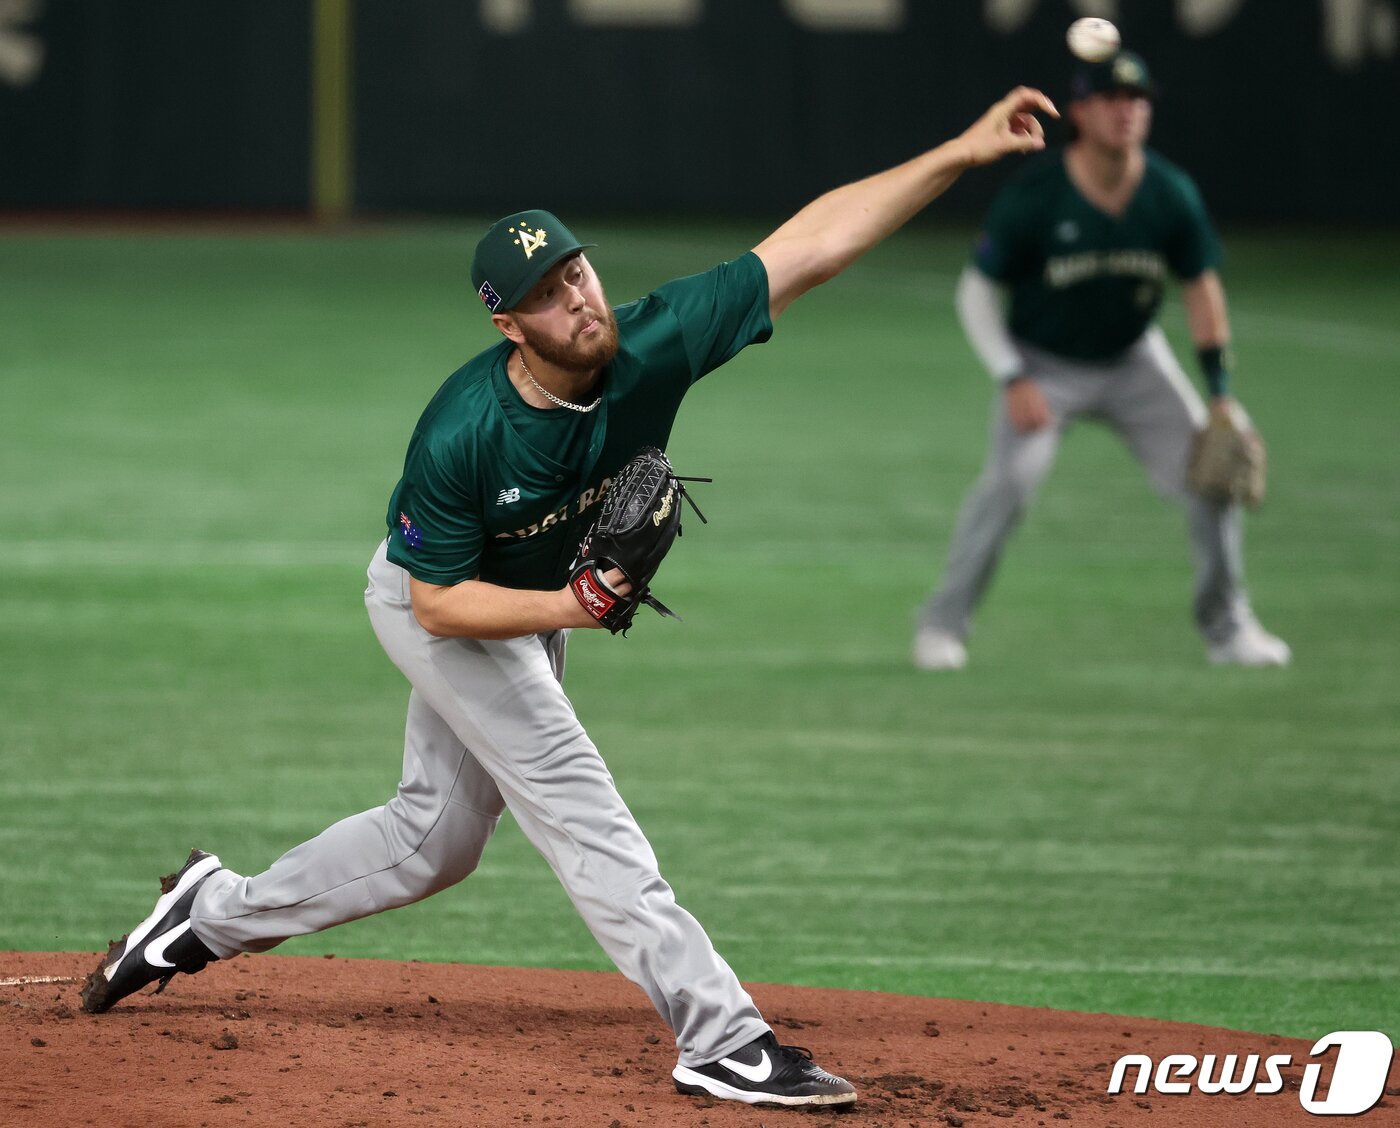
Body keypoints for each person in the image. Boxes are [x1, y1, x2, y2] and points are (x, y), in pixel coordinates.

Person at [81, 86, 1057, 1109]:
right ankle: (718, 1034)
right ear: (509, 323)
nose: (579, 297)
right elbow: (439, 606)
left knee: (432, 843)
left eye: (578, 269)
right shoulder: (464, 431)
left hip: (530, 606)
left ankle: (209, 912)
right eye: (547, 291)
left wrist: (956, 149)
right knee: (575, 798)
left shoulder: (655, 340)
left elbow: (809, 245)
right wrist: (577, 603)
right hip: (449, 603)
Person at [913, 52, 1290, 671]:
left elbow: (1202, 290)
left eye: (1137, 99)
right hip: (1044, 363)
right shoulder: (1039, 194)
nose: (1127, 110)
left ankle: (1229, 631)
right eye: (1112, 99)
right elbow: (976, 292)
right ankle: (942, 626)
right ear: (1080, 112)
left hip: (1132, 358)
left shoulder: (1168, 194)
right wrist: (1013, 375)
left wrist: (1219, 393)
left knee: (1214, 478)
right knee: (1007, 488)